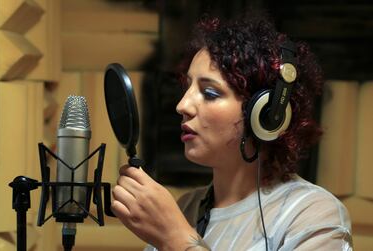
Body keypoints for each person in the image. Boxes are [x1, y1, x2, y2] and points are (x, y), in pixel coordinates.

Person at [111, 12, 352, 251]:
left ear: (266, 114)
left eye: (210, 93)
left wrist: (175, 238)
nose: (182, 105)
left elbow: (175, 238)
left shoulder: (313, 215)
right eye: (187, 87)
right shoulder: (185, 209)